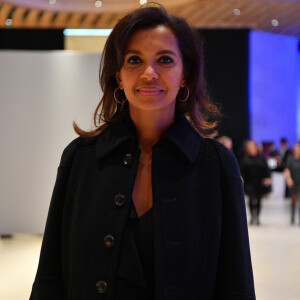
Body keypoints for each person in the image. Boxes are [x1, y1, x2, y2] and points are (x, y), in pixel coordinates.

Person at [30, 4, 255, 300]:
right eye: (134, 60)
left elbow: (236, 285)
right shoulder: (80, 159)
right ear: (119, 77)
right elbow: (49, 278)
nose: (149, 73)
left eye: (164, 60)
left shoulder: (216, 165)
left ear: (185, 74)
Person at [240, 140, 271, 225]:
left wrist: (267, 178)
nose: (252, 149)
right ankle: (252, 217)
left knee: (259, 199)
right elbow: (241, 170)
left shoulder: (261, 157)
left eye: (253, 147)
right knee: (250, 198)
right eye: (250, 148)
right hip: (249, 182)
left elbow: (266, 169)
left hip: (259, 181)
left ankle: (257, 217)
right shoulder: (245, 158)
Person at [284, 142, 300, 225]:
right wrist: (288, 179)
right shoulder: (290, 159)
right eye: (296, 148)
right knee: (293, 200)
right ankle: (293, 217)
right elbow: (287, 170)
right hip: (293, 181)